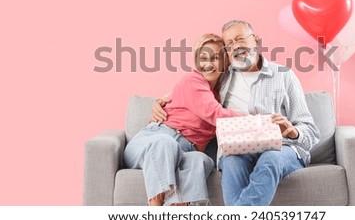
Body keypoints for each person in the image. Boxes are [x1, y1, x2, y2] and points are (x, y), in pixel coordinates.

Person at [152, 20, 320, 206]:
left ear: (256, 40)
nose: (236, 46)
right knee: (231, 162)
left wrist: (291, 130)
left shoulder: (284, 75)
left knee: (270, 158)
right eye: (229, 44)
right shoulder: (223, 76)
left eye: (240, 39)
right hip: (238, 149)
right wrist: (159, 102)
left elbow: (310, 130)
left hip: (282, 148)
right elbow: (189, 92)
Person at [124, 33, 242, 206]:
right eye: (203, 58)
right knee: (165, 142)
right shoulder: (193, 81)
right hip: (152, 142)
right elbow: (216, 115)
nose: (208, 64)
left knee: (200, 160)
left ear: (225, 62)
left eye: (215, 58)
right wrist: (260, 121)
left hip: (183, 151)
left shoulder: (215, 93)